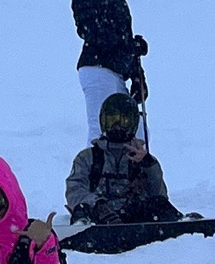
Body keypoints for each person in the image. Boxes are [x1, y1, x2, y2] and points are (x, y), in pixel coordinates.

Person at [66, 91, 181, 229]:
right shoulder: (87, 157)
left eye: (124, 121)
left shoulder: (143, 159)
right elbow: (75, 190)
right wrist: (97, 205)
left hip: (133, 216)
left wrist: (149, 166)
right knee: (81, 209)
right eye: (112, 120)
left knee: (159, 204)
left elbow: (159, 195)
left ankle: (183, 226)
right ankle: (81, 229)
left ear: (133, 123)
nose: (117, 126)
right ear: (103, 121)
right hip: (99, 220)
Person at [72, 0, 148, 145]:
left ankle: (131, 173)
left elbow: (121, 39)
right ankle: (91, 173)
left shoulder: (119, 2)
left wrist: (137, 75)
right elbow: (91, 30)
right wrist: (128, 45)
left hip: (116, 72)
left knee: (136, 128)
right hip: (96, 67)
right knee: (101, 125)